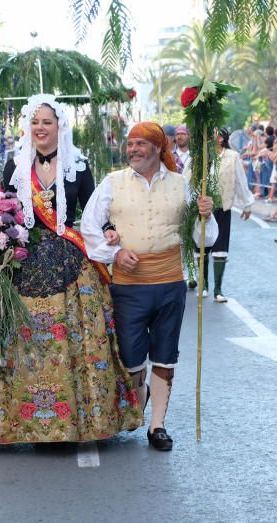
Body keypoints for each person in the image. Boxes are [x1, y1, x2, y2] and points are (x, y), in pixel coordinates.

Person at [0, 95, 141, 443]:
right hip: (24, 258)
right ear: (28, 126)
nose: (40, 128)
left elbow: (93, 209)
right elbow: (4, 212)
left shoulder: (78, 165)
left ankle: (82, 418)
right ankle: (16, 421)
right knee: (21, 336)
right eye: (35, 122)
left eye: (47, 122)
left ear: (59, 127)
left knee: (75, 337)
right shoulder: (15, 165)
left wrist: (110, 228)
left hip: (70, 260)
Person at [81, 122, 216, 452]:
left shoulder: (182, 185)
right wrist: (114, 252)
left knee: (165, 355)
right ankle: (134, 413)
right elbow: (88, 227)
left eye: (141, 144)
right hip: (129, 286)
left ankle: (158, 425)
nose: (133, 150)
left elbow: (205, 239)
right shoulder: (113, 183)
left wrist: (205, 215)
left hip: (170, 283)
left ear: (159, 148)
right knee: (131, 356)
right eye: (130, 144)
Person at [195, 128, 254, 303]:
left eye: (212, 133)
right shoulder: (201, 155)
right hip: (203, 207)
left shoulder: (232, 156)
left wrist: (247, 204)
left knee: (220, 247)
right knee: (202, 246)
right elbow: (187, 178)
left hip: (222, 207)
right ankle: (203, 285)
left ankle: (218, 290)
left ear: (221, 139)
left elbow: (240, 181)